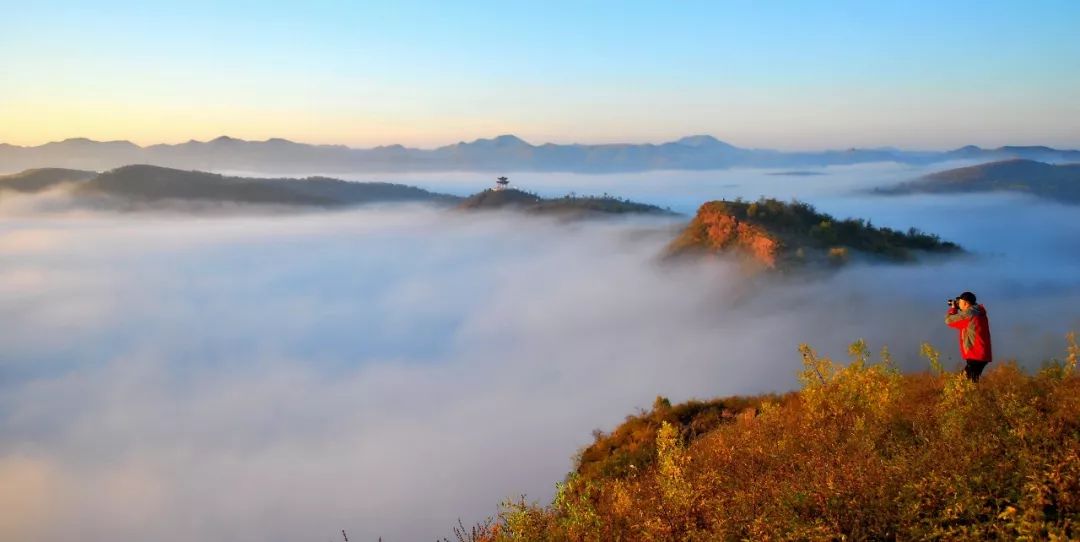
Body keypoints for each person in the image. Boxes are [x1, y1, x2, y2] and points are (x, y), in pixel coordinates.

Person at [945, 291, 993, 382]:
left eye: (960, 302)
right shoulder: (977, 311)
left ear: (966, 303)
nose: (958, 304)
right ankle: (973, 395)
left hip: (976, 354)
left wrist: (953, 309)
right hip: (981, 353)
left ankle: (972, 396)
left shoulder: (970, 314)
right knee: (970, 381)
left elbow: (949, 321)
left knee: (964, 383)